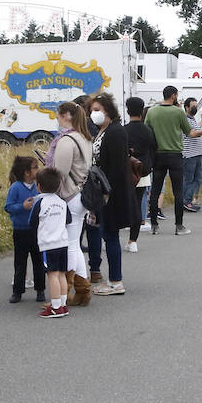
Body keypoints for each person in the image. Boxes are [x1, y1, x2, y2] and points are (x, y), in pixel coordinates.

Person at [86, 93, 132, 296]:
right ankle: (114, 279)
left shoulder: (115, 132)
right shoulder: (101, 131)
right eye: (91, 110)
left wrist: (107, 192)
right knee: (107, 234)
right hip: (101, 190)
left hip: (111, 192)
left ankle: (115, 280)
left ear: (108, 110)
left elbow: (116, 165)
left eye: (97, 110)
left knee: (110, 235)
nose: (93, 114)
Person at [50, 101, 95, 304]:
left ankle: (65, 291)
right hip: (82, 195)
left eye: (58, 116)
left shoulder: (66, 140)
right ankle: (82, 288)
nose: (57, 119)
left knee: (69, 245)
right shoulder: (84, 138)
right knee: (74, 243)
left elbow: (58, 173)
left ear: (66, 116)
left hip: (69, 195)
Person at [144, 86, 196, 236]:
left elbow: (147, 130)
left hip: (158, 154)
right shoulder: (178, 112)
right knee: (178, 191)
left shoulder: (152, 111)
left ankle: (154, 224)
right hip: (175, 154)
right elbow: (189, 132)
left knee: (155, 190)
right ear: (173, 96)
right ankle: (179, 226)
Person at [3, 155, 45, 304]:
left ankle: (40, 290)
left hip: (36, 230)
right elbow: (8, 207)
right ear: (26, 172)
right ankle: (17, 291)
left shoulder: (37, 186)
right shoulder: (16, 187)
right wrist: (23, 206)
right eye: (35, 167)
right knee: (20, 262)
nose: (38, 170)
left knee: (38, 260)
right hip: (20, 230)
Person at [30, 167, 70, 318]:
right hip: (63, 242)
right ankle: (63, 304)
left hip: (48, 244)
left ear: (38, 186)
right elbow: (69, 220)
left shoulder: (40, 203)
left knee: (51, 275)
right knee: (61, 274)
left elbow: (32, 222)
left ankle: (55, 306)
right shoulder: (62, 202)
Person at [123, 96, 155, 253]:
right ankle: (132, 240)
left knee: (121, 204)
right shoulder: (148, 130)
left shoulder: (123, 130)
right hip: (142, 172)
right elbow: (154, 150)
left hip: (125, 173)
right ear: (142, 111)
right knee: (137, 204)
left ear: (127, 110)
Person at [180, 97, 202, 212]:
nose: (195, 108)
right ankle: (185, 201)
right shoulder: (185, 119)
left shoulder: (192, 119)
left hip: (196, 154)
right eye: (193, 106)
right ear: (186, 107)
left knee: (198, 179)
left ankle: (187, 200)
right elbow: (193, 134)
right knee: (189, 179)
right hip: (189, 154)